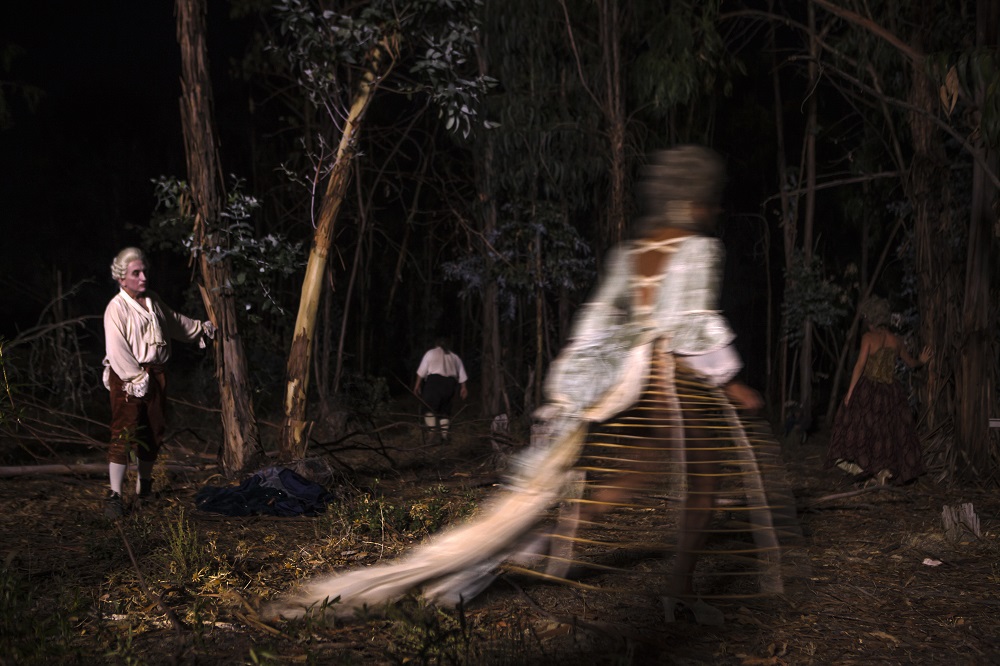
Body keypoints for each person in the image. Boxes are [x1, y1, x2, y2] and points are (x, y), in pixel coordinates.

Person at [267, 146, 789, 626]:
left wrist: (580, 384)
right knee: (706, 478)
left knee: (643, 468)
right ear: (695, 202)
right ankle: (681, 590)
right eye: (710, 201)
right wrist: (731, 381)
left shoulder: (633, 252)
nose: (713, 210)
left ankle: (552, 531)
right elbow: (689, 323)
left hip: (622, 375)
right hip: (669, 377)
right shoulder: (698, 249)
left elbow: (598, 323)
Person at [102, 247, 215, 519]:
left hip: (156, 373)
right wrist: (135, 378)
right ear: (121, 278)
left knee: (153, 429)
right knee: (124, 432)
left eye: (144, 272)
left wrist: (200, 328)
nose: (143, 277)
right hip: (128, 377)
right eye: (136, 273)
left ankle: (144, 488)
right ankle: (115, 495)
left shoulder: (152, 299)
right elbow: (117, 349)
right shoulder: (116, 308)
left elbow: (174, 322)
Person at [825, 296, 932, 485]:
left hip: (868, 390)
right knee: (886, 432)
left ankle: (867, 470)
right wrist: (921, 361)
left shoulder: (868, 337)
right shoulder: (897, 341)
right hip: (890, 392)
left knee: (862, 428)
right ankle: (882, 471)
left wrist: (851, 392)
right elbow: (911, 363)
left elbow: (860, 365)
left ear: (871, 318)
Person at [414, 337, 468, 441]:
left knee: (428, 407)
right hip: (450, 384)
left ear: (436, 344)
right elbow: (462, 374)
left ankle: (432, 432)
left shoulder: (431, 353)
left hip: (434, 382)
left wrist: (417, 385)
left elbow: (421, 371)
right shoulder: (455, 357)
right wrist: (464, 387)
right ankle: (444, 436)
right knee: (444, 410)